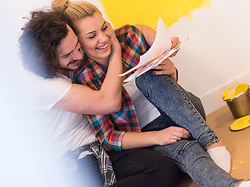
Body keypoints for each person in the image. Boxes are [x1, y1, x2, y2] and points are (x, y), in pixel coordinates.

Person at [51, 0, 250, 187]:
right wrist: (159, 136)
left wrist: (171, 68)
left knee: (147, 78)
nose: (103, 38)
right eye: (92, 36)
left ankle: (212, 142)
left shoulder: (128, 36)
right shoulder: (85, 78)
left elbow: (168, 62)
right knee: (188, 151)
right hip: (148, 136)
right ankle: (241, 185)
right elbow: (109, 138)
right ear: (78, 43)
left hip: (184, 114)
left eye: (104, 27)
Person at [18, 10, 179, 187]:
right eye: (67, 55)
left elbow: (106, 34)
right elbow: (109, 102)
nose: (79, 56)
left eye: (77, 46)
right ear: (47, 60)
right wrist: (115, 51)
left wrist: (152, 37)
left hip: (100, 148)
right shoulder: (45, 86)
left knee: (163, 168)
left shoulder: (69, 60)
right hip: (71, 160)